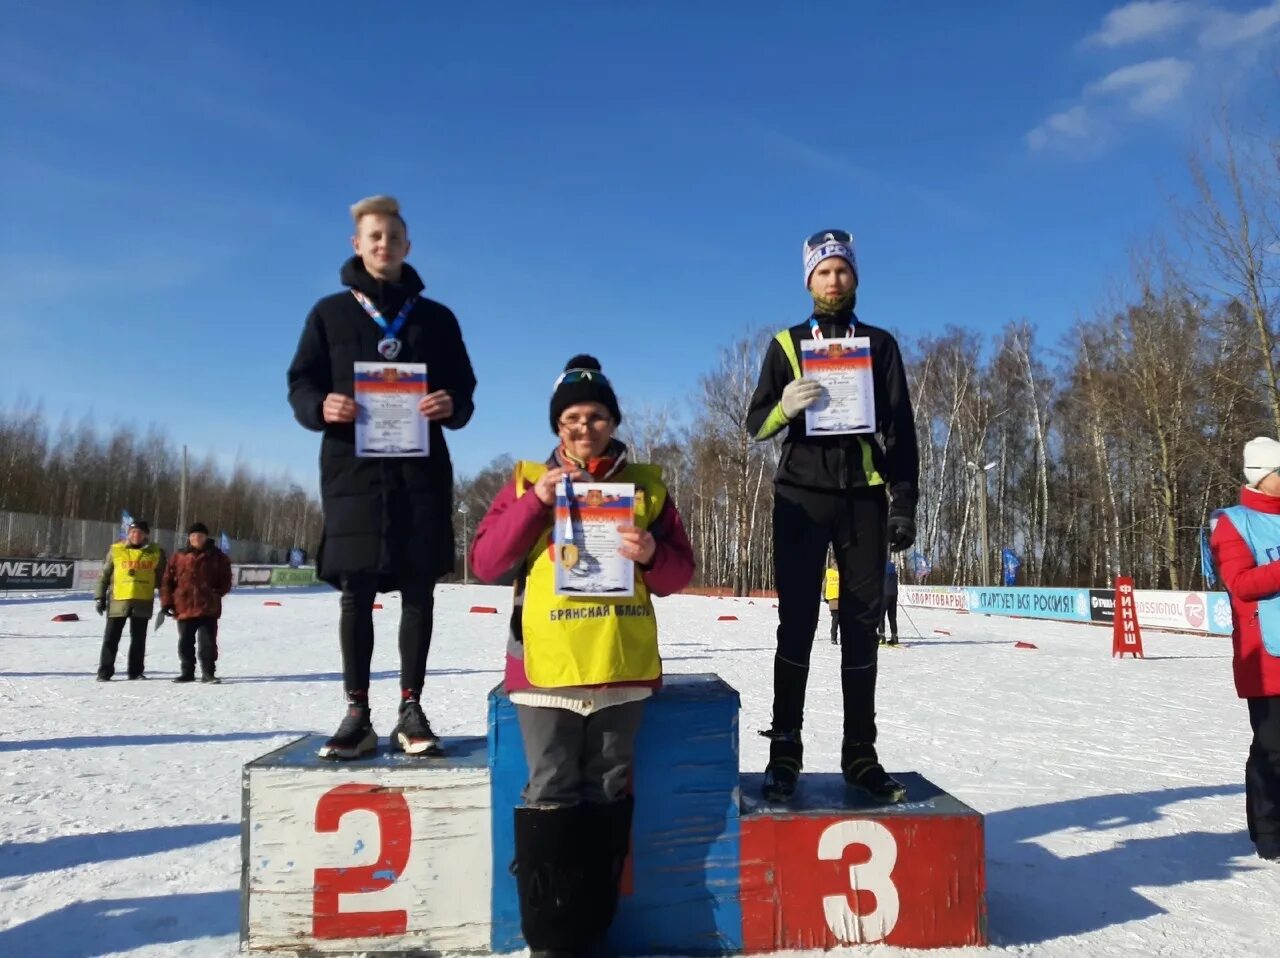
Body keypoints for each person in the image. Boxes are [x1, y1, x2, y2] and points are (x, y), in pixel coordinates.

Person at [469, 355, 695, 957]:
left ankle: (591, 934)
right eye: (571, 416)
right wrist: (535, 503)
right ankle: (550, 941)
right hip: (546, 668)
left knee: (608, 789)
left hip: (620, 668)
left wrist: (650, 552)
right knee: (549, 788)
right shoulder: (524, 481)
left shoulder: (646, 485)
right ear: (556, 425)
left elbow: (680, 575)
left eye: (596, 414)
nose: (583, 425)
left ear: (613, 420)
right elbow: (486, 564)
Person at [287, 195, 477, 760]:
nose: (383, 245)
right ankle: (356, 712)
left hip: (419, 473)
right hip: (354, 473)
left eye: (393, 237)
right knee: (356, 593)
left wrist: (451, 404)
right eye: (374, 236)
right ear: (357, 244)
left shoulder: (436, 318)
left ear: (407, 246)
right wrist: (321, 406)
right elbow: (300, 382)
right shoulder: (329, 314)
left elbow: (464, 390)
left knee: (419, 590)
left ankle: (411, 707)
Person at [746, 229, 919, 804]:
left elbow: (901, 431)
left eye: (842, 269)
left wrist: (904, 503)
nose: (834, 279)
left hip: (863, 497)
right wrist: (785, 407)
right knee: (796, 622)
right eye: (823, 271)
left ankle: (860, 753)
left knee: (862, 625)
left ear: (855, 277)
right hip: (801, 493)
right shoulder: (787, 343)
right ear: (808, 280)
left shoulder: (880, 344)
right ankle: (785, 750)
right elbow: (755, 425)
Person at [1209, 436, 1280, 862]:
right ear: (1262, 477)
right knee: (1274, 748)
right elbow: (1241, 583)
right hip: (1267, 656)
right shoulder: (1232, 523)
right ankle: (1269, 832)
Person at [160, 522, 233, 683]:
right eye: (193, 536)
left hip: (208, 607)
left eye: (200, 535)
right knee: (185, 642)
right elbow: (167, 580)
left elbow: (226, 578)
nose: (196, 538)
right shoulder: (178, 556)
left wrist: (217, 592)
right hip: (184, 606)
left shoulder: (217, 557)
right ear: (189, 538)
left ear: (206, 537)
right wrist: (166, 602)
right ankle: (187, 672)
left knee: (208, 644)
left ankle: (208, 673)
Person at [94, 519, 166, 681]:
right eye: (133, 532)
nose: (135, 535)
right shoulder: (116, 550)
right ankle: (104, 672)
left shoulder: (156, 552)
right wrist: (99, 596)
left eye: (139, 532)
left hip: (142, 600)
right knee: (111, 638)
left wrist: (166, 600)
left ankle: (135, 672)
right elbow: (104, 575)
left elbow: (163, 578)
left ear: (146, 535)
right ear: (128, 534)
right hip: (118, 600)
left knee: (138, 639)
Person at [881, 559, 899, 645]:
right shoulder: (894, 572)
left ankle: (881, 636)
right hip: (893, 594)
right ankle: (894, 636)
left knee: (880, 616)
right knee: (892, 616)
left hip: (884, 595)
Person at [825, 558, 840, 645]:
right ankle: (834, 638)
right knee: (836, 619)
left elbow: (824, 585)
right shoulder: (830, 572)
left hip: (834, 599)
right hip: (834, 599)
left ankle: (834, 638)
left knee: (836, 619)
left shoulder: (829, 572)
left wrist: (824, 595)